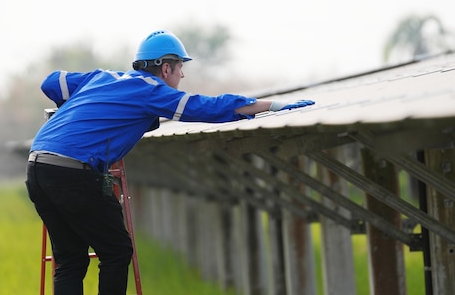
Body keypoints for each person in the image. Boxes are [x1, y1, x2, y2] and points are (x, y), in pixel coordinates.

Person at [25, 30, 314, 295]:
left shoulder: (103, 77)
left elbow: (51, 82)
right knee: (116, 251)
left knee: (70, 260)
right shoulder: (151, 91)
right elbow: (208, 107)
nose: (182, 76)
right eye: (180, 69)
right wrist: (270, 105)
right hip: (73, 172)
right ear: (166, 68)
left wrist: (83, 106)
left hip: (37, 166)